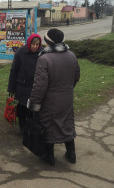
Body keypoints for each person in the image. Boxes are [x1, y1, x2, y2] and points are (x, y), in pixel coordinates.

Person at [28, 28, 80, 165]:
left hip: (50, 101)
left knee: (48, 126)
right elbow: (76, 77)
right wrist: (66, 90)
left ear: (48, 42)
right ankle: (72, 154)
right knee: (67, 123)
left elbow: (40, 86)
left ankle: (49, 157)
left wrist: (34, 103)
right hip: (67, 99)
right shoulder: (71, 55)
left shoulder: (44, 59)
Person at [7, 34, 43, 135]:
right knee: (21, 108)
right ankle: (22, 127)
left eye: (37, 44)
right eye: (33, 44)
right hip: (22, 86)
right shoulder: (20, 52)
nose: (35, 46)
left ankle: (31, 127)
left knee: (32, 109)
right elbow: (14, 70)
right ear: (29, 43)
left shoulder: (42, 53)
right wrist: (11, 88)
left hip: (35, 86)